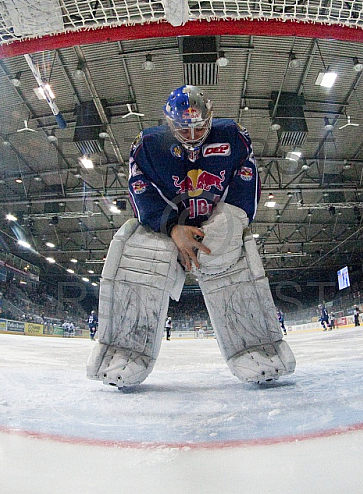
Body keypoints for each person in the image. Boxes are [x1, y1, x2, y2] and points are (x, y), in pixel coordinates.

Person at [87, 85, 295, 387]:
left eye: (199, 126)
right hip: (167, 225)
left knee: (227, 250)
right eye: (184, 129)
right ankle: (126, 348)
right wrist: (172, 227)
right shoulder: (147, 145)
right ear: (169, 124)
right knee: (142, 254)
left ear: (210, 116)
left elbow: (246, 181)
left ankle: (255, 345)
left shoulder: (233, 136)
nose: (194, 135)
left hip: (214, 220)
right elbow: (139, 189)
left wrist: (229, 221)